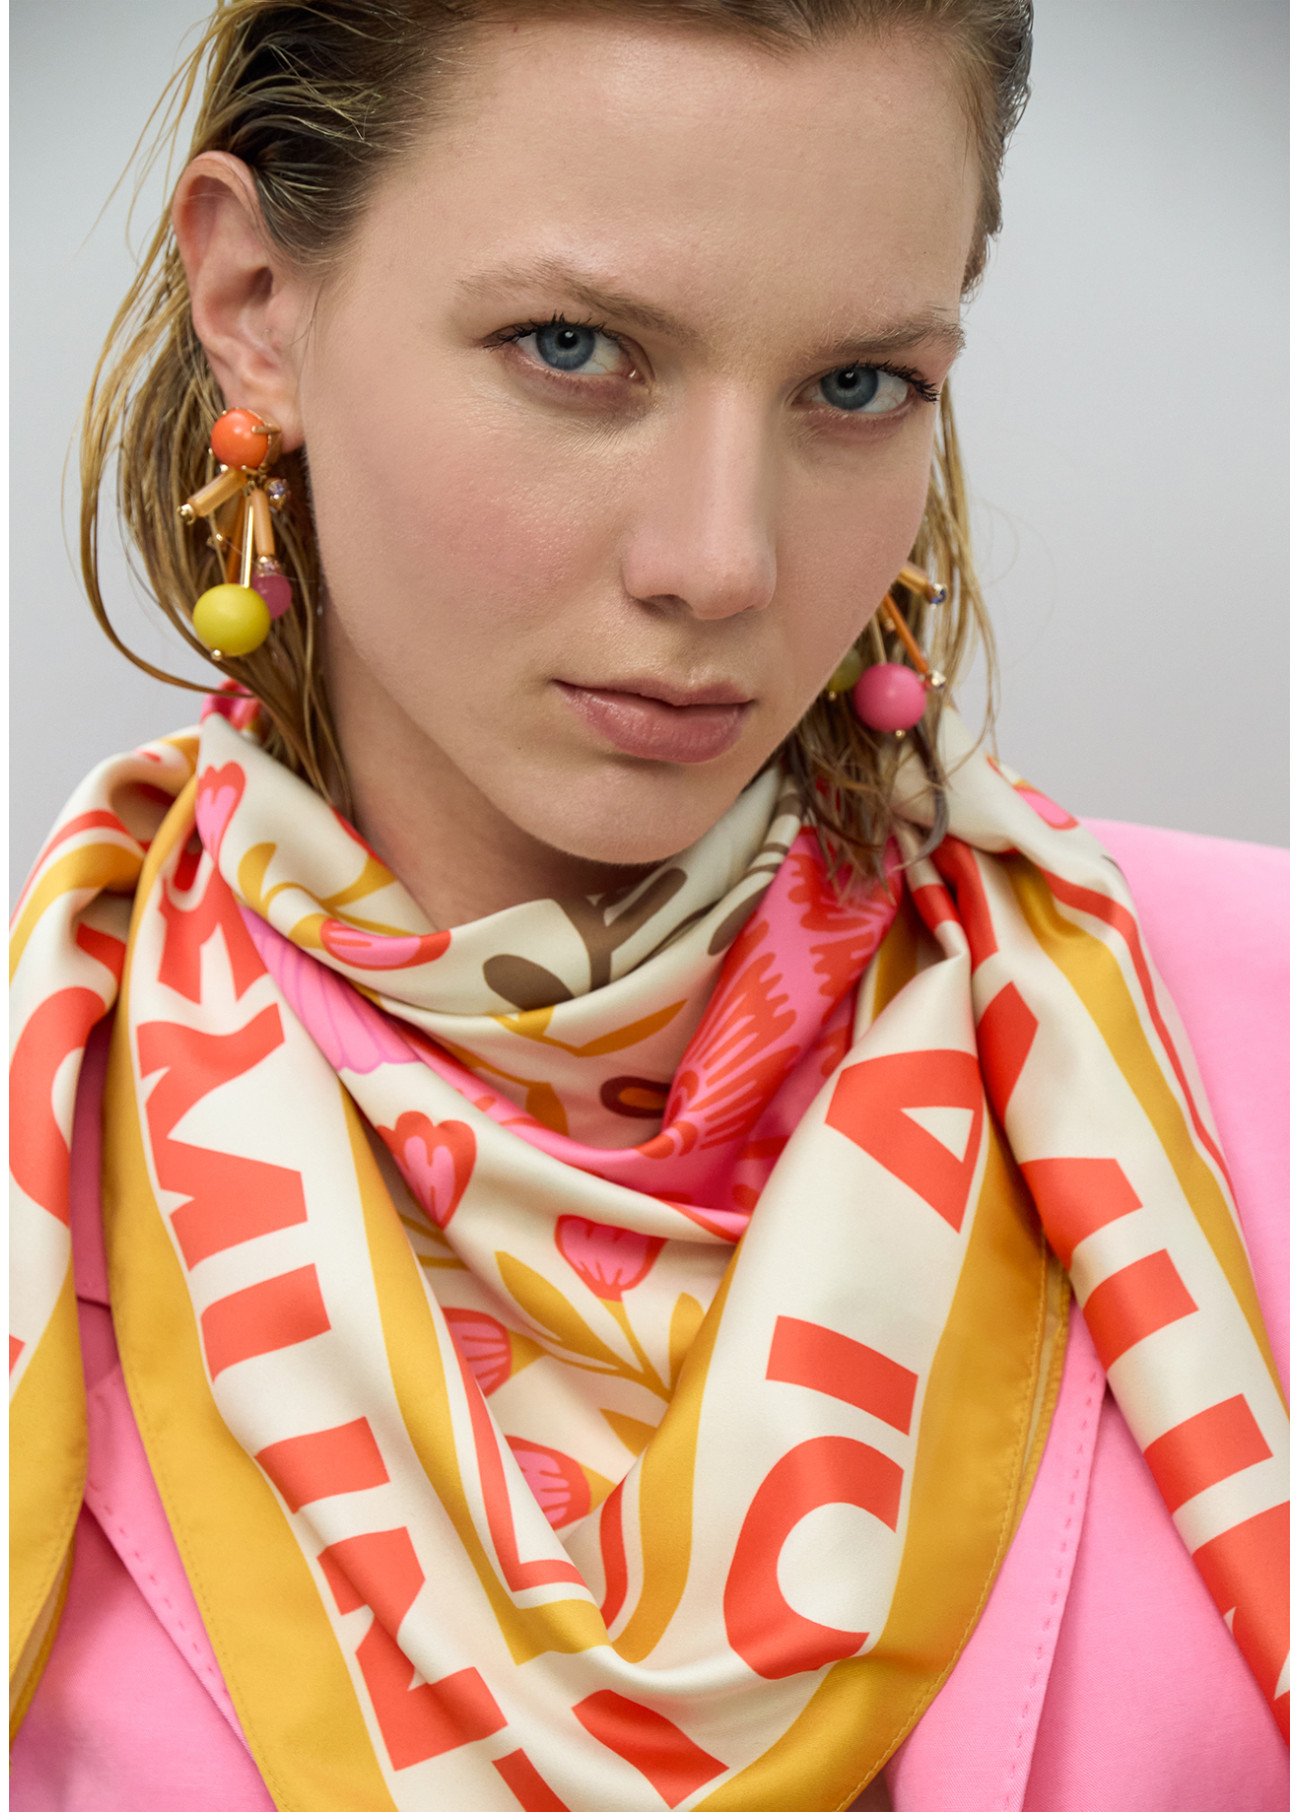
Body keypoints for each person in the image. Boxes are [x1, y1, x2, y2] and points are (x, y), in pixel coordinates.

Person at [9, 3, 1287, 1808]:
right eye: (575, 348)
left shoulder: (1260, 1037)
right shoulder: (42, 1137)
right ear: (255, 303)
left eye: (860, 385)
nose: (721, 563)